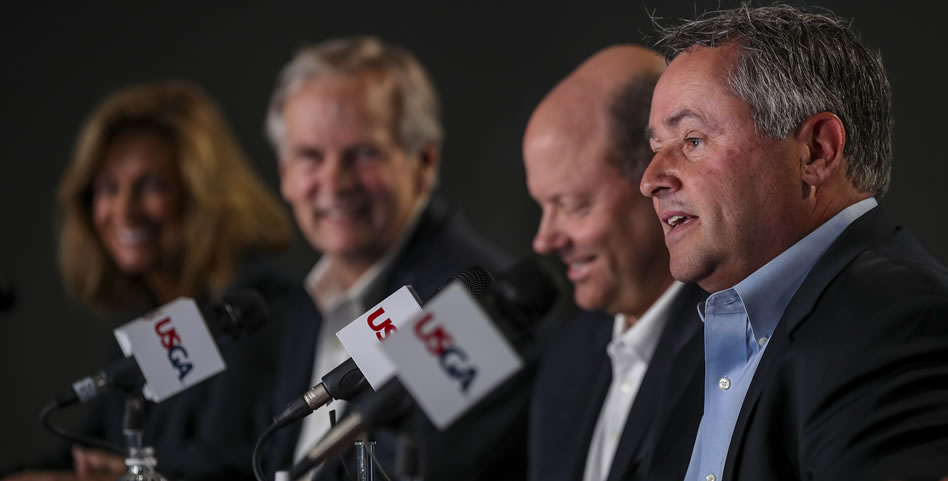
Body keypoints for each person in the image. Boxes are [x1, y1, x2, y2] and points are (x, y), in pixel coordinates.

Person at [641, 3, 948, 481]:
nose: (651, 179)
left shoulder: (899, 321)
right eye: (656, 148)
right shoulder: (695, 352)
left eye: (693, 140)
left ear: (816, 152)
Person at [257, 36, 526, 481]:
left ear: (424, 161)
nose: (334, 182)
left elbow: (430, 470)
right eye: (309, 157)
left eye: (364, 154)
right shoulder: (302, 304)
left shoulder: (469, 302)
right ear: (285, 175)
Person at [3, 80, 295, 481]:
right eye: (108, 187)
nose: (124, 210)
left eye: (152, 185)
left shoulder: (254, 311)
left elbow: (228, 467)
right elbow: (85, 452)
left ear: (203, 194)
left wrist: (122, 475)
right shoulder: (154, 320)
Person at [523, 45, 707, 481]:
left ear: (657, 181)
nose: (544, 241)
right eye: (542, 207)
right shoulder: (567, 352)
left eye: (573, 206)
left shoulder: (733, 352)